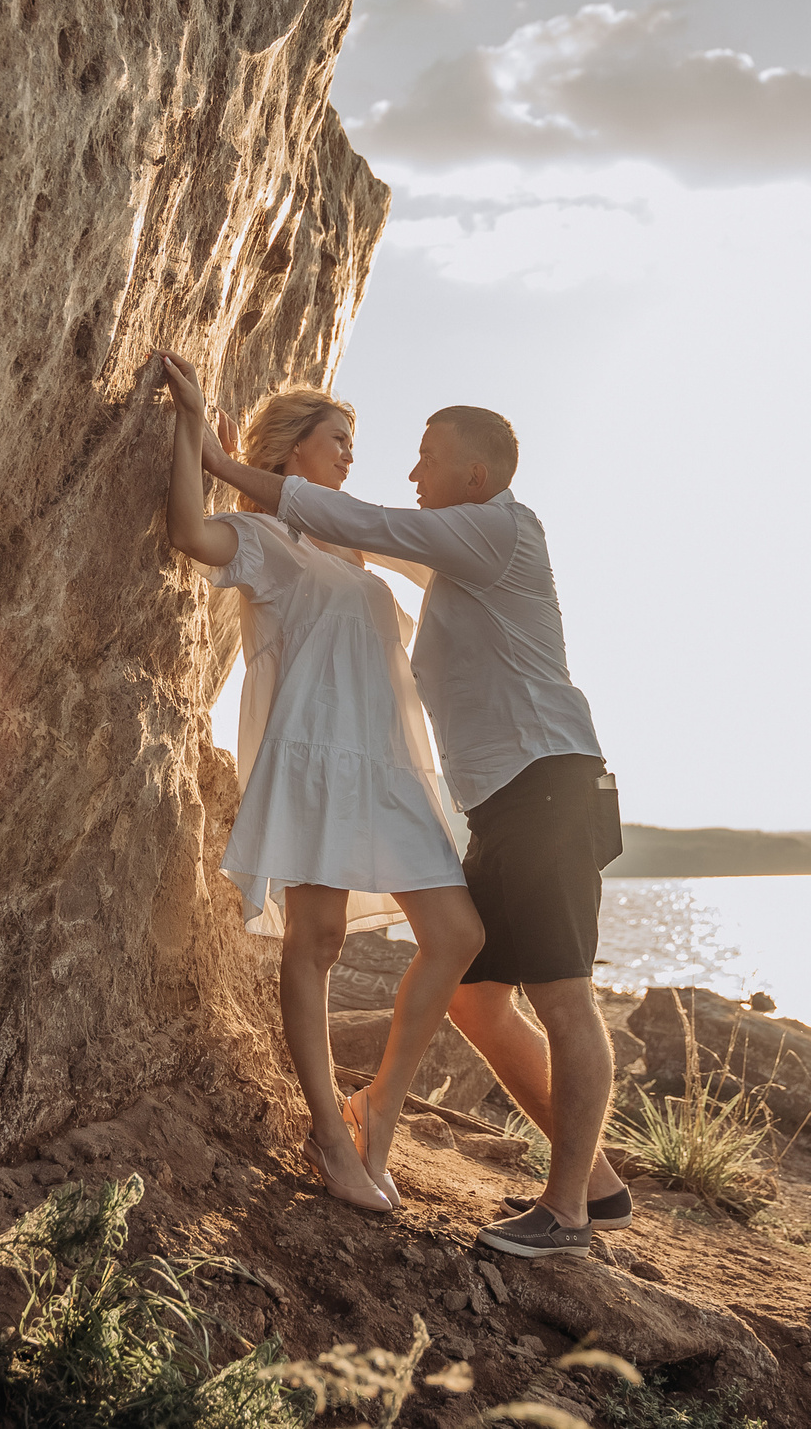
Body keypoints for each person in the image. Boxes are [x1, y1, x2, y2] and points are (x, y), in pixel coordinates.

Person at [202, 403, 624, 1260]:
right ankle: (598, 1177)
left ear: (474, 477)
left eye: (426, 457)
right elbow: (353, 537)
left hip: (549, 785)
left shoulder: (496, 531)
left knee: (563, 993)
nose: (409, 470)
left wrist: (221, 460)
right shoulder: (458, 555)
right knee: (474, 990)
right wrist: (266, 497)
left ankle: (570, 1206)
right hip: (504, 803)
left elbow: (363, 522)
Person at [153, 354, 485, 1214]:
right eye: (338, 439)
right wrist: (196, 429)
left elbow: (446, 578)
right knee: (319, 941)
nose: (349, 453)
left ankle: (376, 1110)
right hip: (315, 757)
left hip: (391, 763)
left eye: (351, 442)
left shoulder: (354, 538)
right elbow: (191, 533)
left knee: (455, 931)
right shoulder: (263, 540)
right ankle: (332, 1138)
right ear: (294, 449)